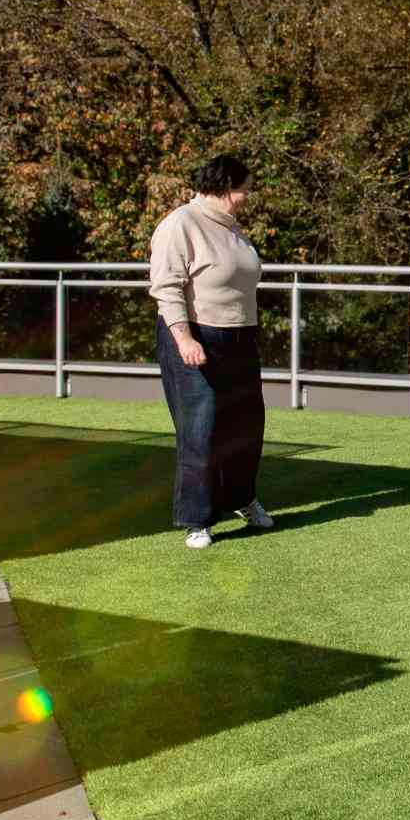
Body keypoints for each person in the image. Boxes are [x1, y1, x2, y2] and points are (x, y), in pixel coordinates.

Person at [148, 154, 273, 550]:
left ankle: (242, 498)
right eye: (245, 189)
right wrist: (184, 339)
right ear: (224, 187)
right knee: (200, 431)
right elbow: (166, 287)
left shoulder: (232, 228)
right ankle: (196, 520)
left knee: (247, 426)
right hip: (195, 336)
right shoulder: (180, 224)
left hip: (240, 338)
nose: (249, 196)